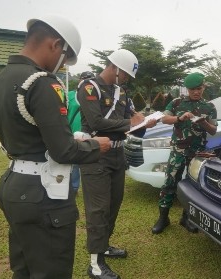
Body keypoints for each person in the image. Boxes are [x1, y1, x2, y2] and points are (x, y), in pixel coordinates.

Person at [0, 15, 111, 279]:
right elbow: (63, 151)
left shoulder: (3, 77)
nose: (64, 66)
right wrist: (95, 146)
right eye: (66, 58)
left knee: (24, 268)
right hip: (41, 192)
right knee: (51, 271)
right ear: (55, 44)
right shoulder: (42, 82)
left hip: (15, 183)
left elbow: (31, 133)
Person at [77, 49, 145, 279]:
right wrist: (129, 122)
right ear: (115, 68)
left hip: (117, 155)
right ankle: (95, 263)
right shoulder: (88, 87)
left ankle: (104, 245)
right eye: (125, 74)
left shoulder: (121, 91)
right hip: (95, 154)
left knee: (113, 204)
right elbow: (96, 120)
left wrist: (145, 122)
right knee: (98, 209)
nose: (126, 78)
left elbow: (132, 119)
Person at [152, 72, 217, 234]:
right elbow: (164, 119)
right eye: (193, 89)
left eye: (199, 88)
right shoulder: (176, 103)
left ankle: (186, 218)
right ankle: (163, 218)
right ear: (187, 89)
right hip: (178, 151)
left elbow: (214, 130)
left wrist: (203, 123)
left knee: (193, 186)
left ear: (203, 88)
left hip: (197, 153)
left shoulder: (209, 106)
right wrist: (180, 118)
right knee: (169, 183)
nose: (196, 92)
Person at [67, 71, 95, 194]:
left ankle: (90, 188)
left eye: (90, 79)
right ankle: (73, 188)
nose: (87, 82)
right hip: (73, 132)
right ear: (79, 80)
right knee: (75, 162)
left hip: (90, 133)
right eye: (84, 79)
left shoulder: (95, 96)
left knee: (90, 160)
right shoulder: (70, 96)